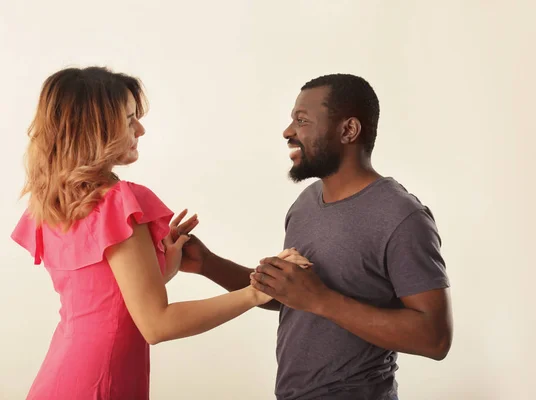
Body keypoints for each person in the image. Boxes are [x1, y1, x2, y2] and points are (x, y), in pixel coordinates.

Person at [10, 66, 311, 400]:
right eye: (128, 120)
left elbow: (99, 298)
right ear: (96, 128)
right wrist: (255, 293)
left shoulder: (59, 199)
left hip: (63, 376)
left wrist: (160, 271)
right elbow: (156, 325)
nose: (140, 129)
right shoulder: (116, 202)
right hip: (100, 381)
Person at [181, 73, 453, 400]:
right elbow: (291, 299)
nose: (288, 131)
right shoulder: (305, 204)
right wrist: (208, 264)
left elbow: (435, 339)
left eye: (302, 120)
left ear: (348, 130)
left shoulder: (401, 216)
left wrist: (321, 300)